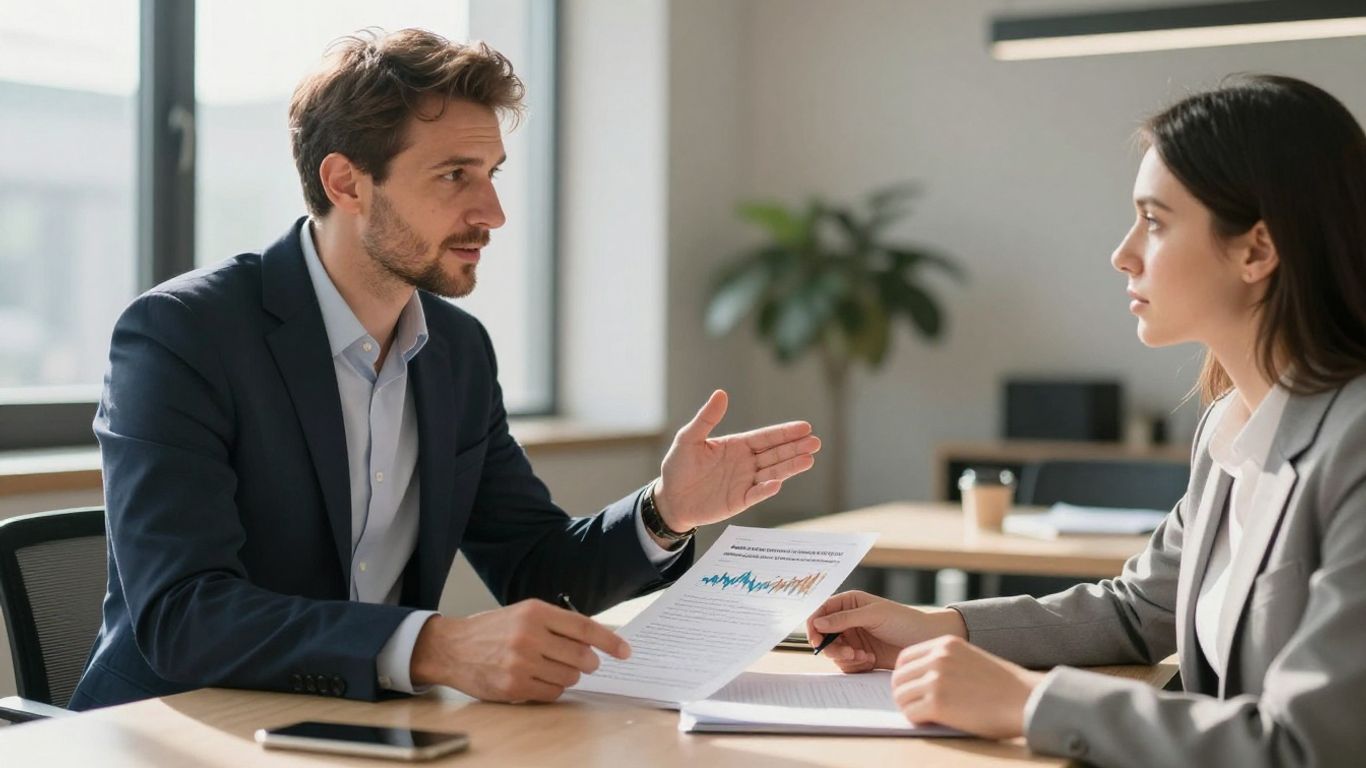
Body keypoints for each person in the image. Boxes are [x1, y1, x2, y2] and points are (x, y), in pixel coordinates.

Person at [70, 29, 821, 710]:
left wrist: (665, 511)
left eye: (492, 172)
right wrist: (435, 646)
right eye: (455, 175)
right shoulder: (181, 334)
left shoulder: (456, 351)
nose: (492, 211)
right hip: (173, 730)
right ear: (346, 183)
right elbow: (183, 615)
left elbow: (534, 569)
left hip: (354, 728)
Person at [806, 74, 1366, 767]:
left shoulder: (1355, 446)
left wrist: (1026, 703)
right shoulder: (1229, 426)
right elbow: (1139, 610)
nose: (1123, 252)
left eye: (1155, 222)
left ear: (1256, 249)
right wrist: (935, 626)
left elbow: (1310, 748)